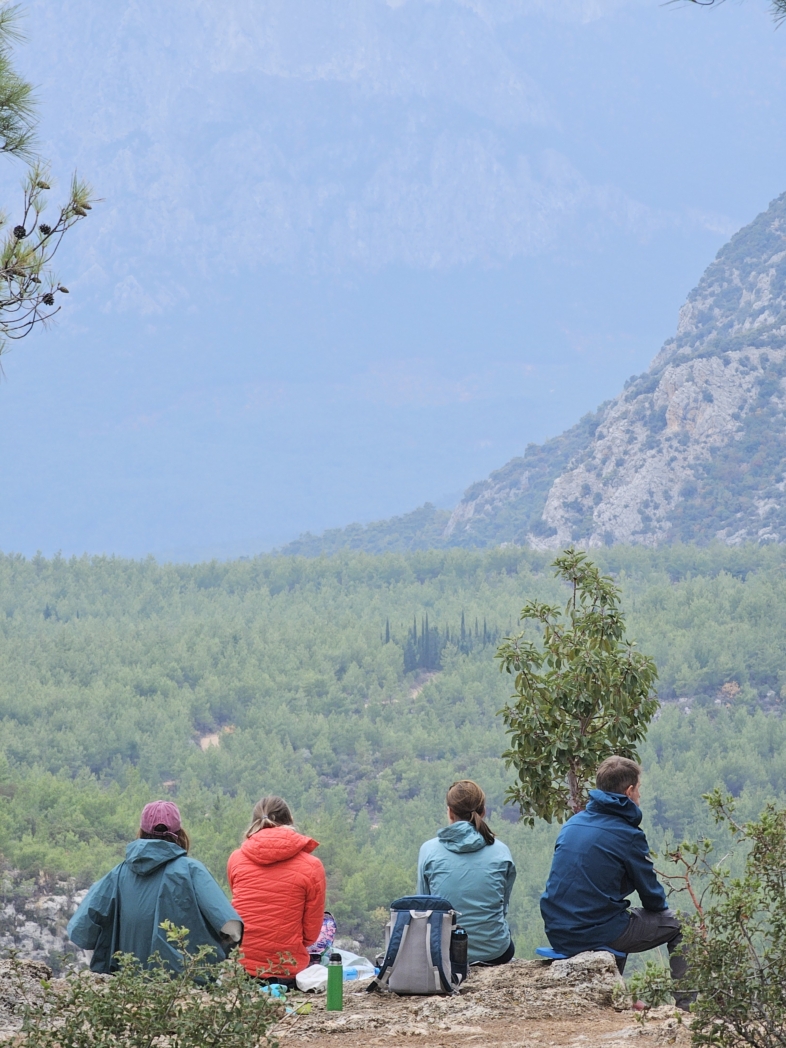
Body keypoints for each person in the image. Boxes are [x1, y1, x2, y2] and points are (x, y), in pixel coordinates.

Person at [540, 756, 692, 1008]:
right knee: (684, 924)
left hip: (559, 932)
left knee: (613, 916)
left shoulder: (572, 824)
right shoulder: (628, 834)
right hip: (595, 932)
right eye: (639, 790)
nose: (639, 795)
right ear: (630, 791)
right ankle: (687, 1010)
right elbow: (653, 899)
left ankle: (615, 997)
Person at [67, 800, 242, 973]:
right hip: (184, 985)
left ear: (141, 832)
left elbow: (81, 930)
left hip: (126, 985)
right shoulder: (191, 870)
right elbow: (231, 927)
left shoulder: (117, 874)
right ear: (180, 833)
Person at [227, 795, 326, 985]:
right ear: (289, 820)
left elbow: (241, 909)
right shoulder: (312, 866)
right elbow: (311, 934)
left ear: (255, 823)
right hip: (285, 970)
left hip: (241, 969)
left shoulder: (236, 859)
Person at [417, 780, 517, 965]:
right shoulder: (501, 851)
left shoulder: (428, 850)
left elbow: (423, 907)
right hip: (495, 951)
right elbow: (502, 908)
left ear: (450, 812)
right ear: (483, 811)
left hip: (444, 952)